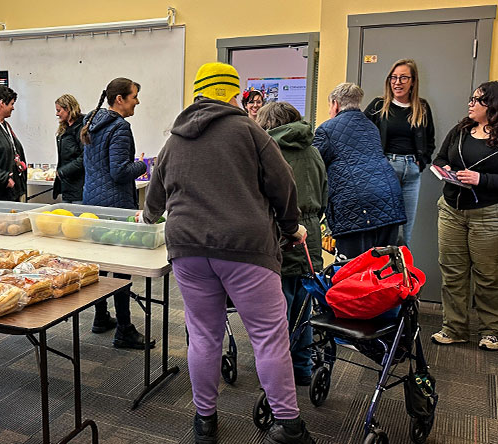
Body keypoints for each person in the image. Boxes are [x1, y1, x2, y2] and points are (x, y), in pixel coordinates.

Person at [141, 62, 314, 444]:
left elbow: (154, 199)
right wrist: (290, 227)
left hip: (187, 248)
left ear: (198, 93)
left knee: (203, 336)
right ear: (233, 93)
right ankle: (289, 427)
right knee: (268, 336)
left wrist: (151, 215)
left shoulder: (174, 138)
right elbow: (283, 185)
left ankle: (204, 422)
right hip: (245, 248)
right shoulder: (249, 131)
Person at [430, 81, 498, 352]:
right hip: (451, 211)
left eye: (478, 100)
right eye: (471, 99)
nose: (471, 104)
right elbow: (438, 159)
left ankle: (492, 331)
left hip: (491, 215)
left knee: (489, 276)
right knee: (453, 273)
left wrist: (481, 179)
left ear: (496, 106)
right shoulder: (461, 130)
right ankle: (453, 328)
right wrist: (445, 169)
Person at [256, 102, 327, 388]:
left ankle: (276, 374)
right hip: (309, 235)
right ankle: (302, 368)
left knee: (276, 313)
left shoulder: (267, 152)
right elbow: (323, 192)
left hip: (280, 235)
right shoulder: (313, 150)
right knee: (302, 306)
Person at [80, 77, 152, 349]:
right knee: (121, 268)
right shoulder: (120, 128)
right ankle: (124, 328)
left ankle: (100, 316)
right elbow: (119, 171)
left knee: (100, 263)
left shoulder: (91, 122)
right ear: (119, 99)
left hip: (92, 202)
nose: (137, 101)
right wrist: (141, 164)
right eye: (134, 96)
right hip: (117, 206)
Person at [313, 83, 406, 259]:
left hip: (355, 205)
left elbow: (315, 165)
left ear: (335, 104)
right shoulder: (371, 127)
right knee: (383, 268)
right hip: (388, 199)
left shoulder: (327, 129)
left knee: (353, 271)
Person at [364, 59, 436, 246]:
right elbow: (361, 133)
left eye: (404, 78)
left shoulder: (422, 107)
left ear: (413, 81)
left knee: (406, 230)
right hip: (386, 169)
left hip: (412, 171)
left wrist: (422, 161)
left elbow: (430, 140)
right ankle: (381, 272)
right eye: (394, 77)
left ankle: (402, 272)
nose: (398, 82)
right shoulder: (378, 105)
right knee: (384, 225)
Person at [53, 94, 85, 203]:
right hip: (67, 185)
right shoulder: (65, 128)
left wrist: (62, 172)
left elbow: (84, 157)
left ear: (68, 109)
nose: (57, 114)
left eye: (59, 110)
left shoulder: (82, 128)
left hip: (79, 186)